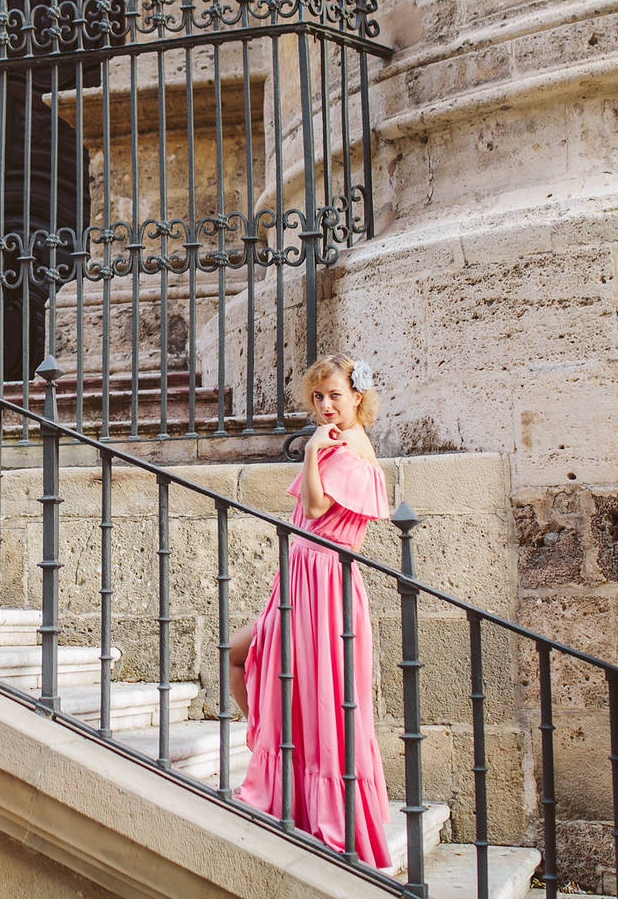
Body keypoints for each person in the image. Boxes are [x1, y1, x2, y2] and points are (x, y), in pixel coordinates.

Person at [229, 353, 394, 867]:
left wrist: (311, 452)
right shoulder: (335, 441)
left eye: (335, 396)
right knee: (242, 656)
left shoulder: (350, 446)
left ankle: (310, 796)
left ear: (357, 398)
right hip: (300, 576)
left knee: (322, 696)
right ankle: (279, 770)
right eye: (318, 397)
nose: (325, 406)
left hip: (324, 584)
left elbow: (319, 509)